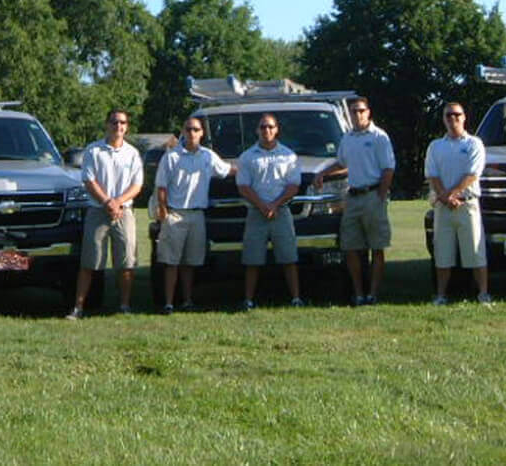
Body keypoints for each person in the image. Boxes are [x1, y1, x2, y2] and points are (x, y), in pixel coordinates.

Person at [313, 96, 394, 305]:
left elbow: (388, 169)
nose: (357, 115)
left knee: (377, 247)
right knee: (350, 247)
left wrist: (381, 195)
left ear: (368, 112)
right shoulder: (347, 138)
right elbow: (341, 162)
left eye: (361, 111)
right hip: (353, 197)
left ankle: (373, 294)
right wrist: (322, 173)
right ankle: (358, 293)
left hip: (373, 196)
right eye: (353, 111)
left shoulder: (379, 137)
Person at [66, 109, 143, 319]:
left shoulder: (132, 153)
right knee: (89, 263)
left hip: (124, 212)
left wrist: (118, 202)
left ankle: (124, 306)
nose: (119, 126)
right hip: (98, 211)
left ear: (127, 127)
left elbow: (137, 184)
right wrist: (107, 201)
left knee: (126, 262)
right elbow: (89, 180)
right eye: (114, 122)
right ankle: (78, 308)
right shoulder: (93, 150)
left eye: (123, 123)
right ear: (107, 124)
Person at [154, 116, 235, 314]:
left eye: (195, 130)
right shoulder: (171, 157)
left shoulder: (208, 156)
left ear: (202, 133)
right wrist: (163, 209)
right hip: (175, 214)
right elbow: (161, 186)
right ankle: (168, 303)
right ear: (183, 132)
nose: (191, 133)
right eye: (188, 129)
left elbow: (227, 170)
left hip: (197, 215)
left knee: (190, 263)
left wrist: (251, 170)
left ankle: (187, 301)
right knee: (171, 262)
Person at [236, 113, 304, 309]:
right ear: (257, 130)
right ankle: (248, 300)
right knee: (252, 259)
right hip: (255, 213)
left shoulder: (289, 155)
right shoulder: (247, 157)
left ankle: (296, 298)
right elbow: (243, 187)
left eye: (270, 127)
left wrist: (274, 205)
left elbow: (293, 186)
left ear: (277, 129)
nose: (267, 130)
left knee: (289, 257)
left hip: (281, 211)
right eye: (263, 127)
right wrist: (262, 205)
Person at [424, 102, 490, 305]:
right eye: (448, 116)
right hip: (443, 207)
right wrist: (445, 198)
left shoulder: (474, 144)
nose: (453, 119)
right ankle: (441, 295)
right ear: (443, 119)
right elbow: (432, 175)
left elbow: (472, 174)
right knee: (442, 254)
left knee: (476, 253)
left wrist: (452, 194)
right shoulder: (436, 146)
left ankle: (483, 294)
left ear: (464, 117)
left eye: (457, 115)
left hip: (467, 205)